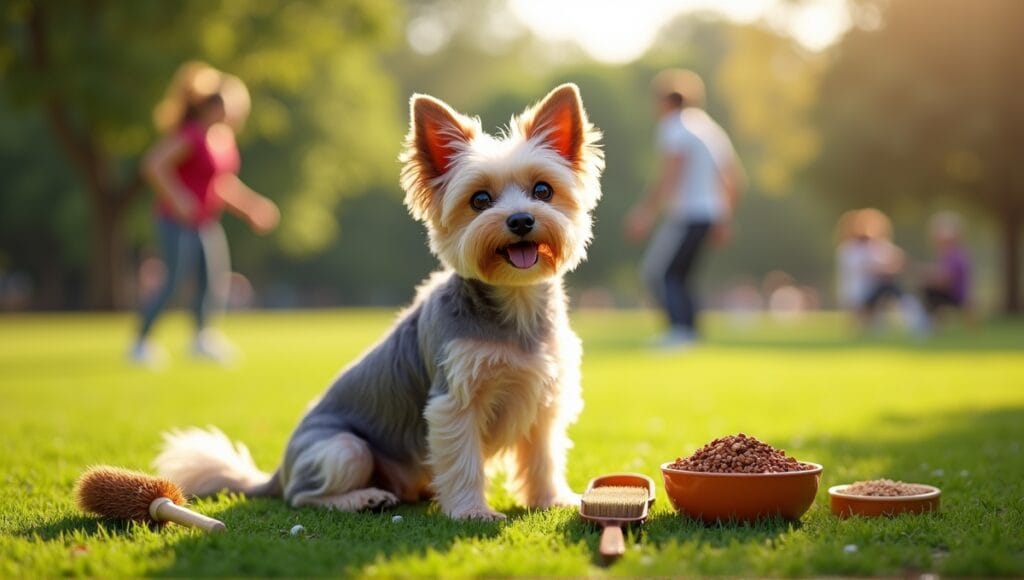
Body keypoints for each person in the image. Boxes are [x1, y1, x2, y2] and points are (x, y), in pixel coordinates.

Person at [130, 62, 279, 366]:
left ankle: (201, 339)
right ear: (212, 106)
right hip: (175, 221)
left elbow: (222, 185)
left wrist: (251, 207)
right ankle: (141, 342)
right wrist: (178, 197)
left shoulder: (222, 141)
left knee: (212, 279)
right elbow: (154, 164)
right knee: (173, 281)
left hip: (205, 222)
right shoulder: (192, 135)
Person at [625, 69, 744, 348]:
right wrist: (723, 218)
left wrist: (646, 213)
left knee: (659, 273)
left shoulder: (673, 127)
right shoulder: (710, 128)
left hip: (687, 215)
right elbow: (732, 178)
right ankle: (690, 332)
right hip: (708, 214)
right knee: (681, 276)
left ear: (664, 102)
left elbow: (671, 173)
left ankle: (680, 332)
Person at [835, 208, 924, 332]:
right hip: (859, 296)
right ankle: (916, 320)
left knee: (891, 287)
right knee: (890, 287)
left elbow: (900, 259)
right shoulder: (850, 250)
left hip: (872, 293)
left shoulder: (875, 247)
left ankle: (914, 319)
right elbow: (872, 269)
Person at [920, 211, 971, 325]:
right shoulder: (948, 254)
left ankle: (932, 323)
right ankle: (933, 323)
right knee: (927, 287)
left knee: (928, 290)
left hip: (956, 295)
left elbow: (946, 280)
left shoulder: (955, 254)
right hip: (952, 293)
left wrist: (928, 276)